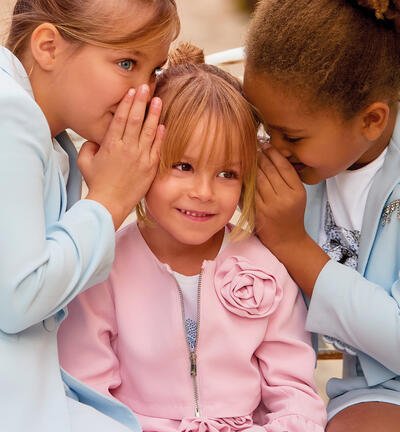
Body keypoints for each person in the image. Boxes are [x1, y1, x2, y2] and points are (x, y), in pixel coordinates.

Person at [58, 43, 327, 432]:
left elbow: (294, 390)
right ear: (145, 157)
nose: (204, 191)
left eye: (227, 173)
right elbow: (89, 395)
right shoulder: (103, 265)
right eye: (183, 166)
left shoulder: (266, 266)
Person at [0, 0, 179, 431]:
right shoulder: (11, 115)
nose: (144, 91)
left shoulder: (52, 136)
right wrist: (110, 201)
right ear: (48, 47)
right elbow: (18, 296)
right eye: (125, 62)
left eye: (153, 70)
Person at [243, 0, 400, 430]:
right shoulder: (299, 167)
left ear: (371, 119)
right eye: (263, 125)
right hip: (374, 391)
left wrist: (295, 247)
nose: (272, 148)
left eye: (291, 136)